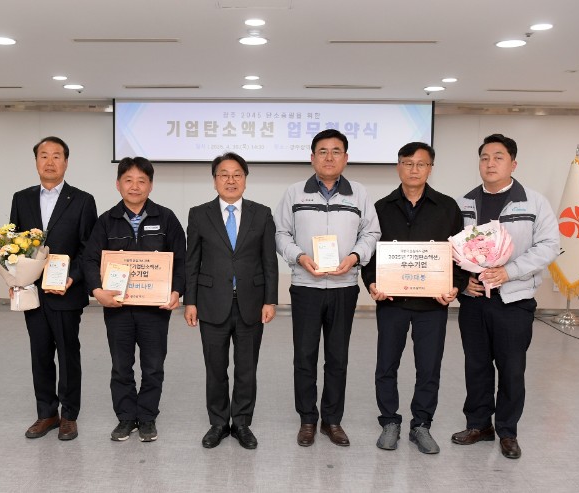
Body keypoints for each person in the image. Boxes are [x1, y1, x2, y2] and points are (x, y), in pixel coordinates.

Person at [452, 133, 559, 459]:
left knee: (511, 369)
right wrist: (463, 282)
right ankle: (479, 425)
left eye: (498, 157)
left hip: (514, 299)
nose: (490, 163)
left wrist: (509, 272)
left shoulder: (534, 202)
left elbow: (549, 246)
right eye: (484, 158)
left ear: (513, 164)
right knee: (476, 366)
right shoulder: (464, 203)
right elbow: (450, 248)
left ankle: (508, 431)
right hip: (474, 300)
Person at [275, 128, 380, 447]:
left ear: (346, 158)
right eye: (323, 151)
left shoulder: (359, 194)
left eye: (336, 151)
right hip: (305, 286)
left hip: (343, 287)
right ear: (312, 157)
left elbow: (371, 233)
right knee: (304, 356)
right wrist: (300, 257)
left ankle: (332, 420)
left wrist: (354, 257)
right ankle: (308, 419)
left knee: (337, 357)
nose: (329, 157)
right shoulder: (294, 193)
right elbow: (281, 234)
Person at [361, 142, 467, 454]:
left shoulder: (447, 207)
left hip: (432, 304)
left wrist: (455, 287)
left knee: (429, 367)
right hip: (391, 302)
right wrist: (372, 283)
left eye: (421, 164)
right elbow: (369, 255)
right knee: (386, 365)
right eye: (408, 163)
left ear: (430, 168)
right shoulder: (381, 208)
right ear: (398, 167)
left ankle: (421, 424)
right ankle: (389, 421)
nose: (414, 169)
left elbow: (459, 256)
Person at [83, 156, 185, 443]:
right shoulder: (106, 221)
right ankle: (126, 417)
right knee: (121, 366)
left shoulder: (166, 218)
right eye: (128, 180)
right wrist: (97, 291)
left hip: (155, 310)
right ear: (118, 185)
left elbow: (182, 260)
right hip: (118, 309)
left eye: (142, 181)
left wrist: (176, 291)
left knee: (153, 366)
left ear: (151, 185)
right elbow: (90, 260)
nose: (135, 186)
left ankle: (148, 417)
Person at [184, 152, 279, 450]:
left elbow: (269, 261)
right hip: (211, 302)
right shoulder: (199, 214)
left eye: (237, 174)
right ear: (214, 181)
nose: (230, 180)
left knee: (246, 368)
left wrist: (270, 300)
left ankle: (241, 423)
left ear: (245, 180)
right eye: (223, 174)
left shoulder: (261, 214)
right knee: (215, 368)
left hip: (251, 302)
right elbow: (192, 261)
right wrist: (190, 301)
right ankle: (217, 423)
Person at [10, 136, 97, 441]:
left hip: (66, 293)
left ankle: (69, 415)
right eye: (43, 155)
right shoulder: (21, 198)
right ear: (36, 161)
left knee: (68, 354)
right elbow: (12, 246)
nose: (50, 162)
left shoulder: (82, 200)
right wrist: (15, 280)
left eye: (56, 156)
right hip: (32, 291)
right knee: (40, 353)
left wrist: (72, 277)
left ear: (66, 162)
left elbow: (89, 248)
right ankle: (46, 413)